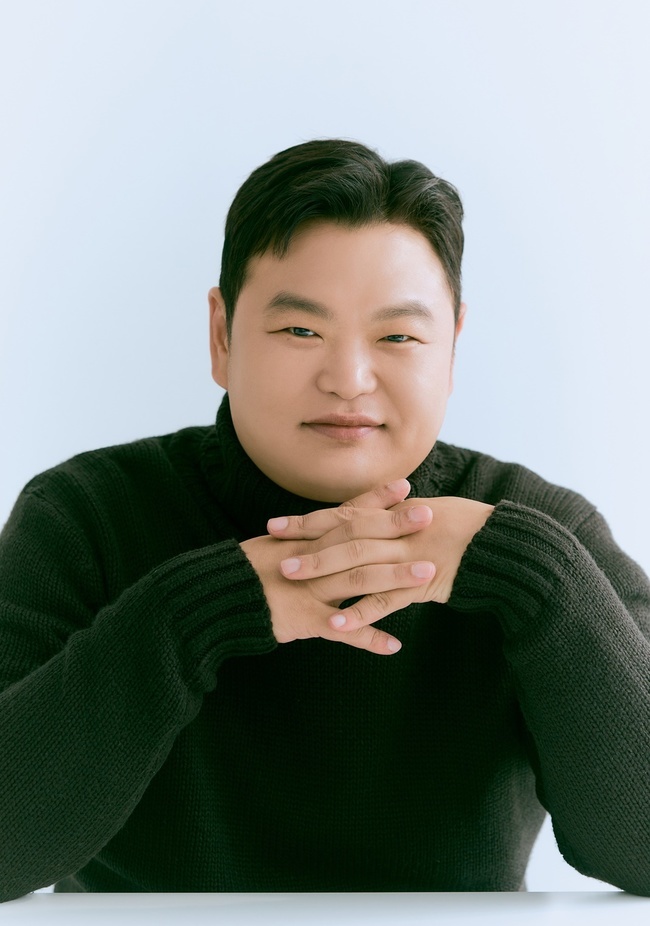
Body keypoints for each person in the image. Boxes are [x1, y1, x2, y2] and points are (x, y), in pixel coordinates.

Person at [1, 139, 649, 900]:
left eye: (398, 336)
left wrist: (532, 576)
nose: (348, 380)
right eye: (300, 331)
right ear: (222, 336)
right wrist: (197, 613)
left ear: (452, 347)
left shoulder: (542, 534)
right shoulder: (85, 517)